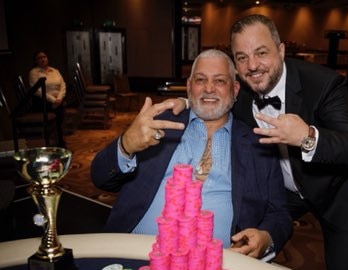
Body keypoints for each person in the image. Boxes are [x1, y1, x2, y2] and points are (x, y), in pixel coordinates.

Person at [172, 14, 348, 269]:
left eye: (261, 52)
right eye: (242, 57)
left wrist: (306, 137)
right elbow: (213, 97)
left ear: (281, 50)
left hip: (339, 191)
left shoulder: (323, 83)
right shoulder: (242, 92)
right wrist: (186, 103)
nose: (252, 66)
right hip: (286, 191)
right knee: (255, 236)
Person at [90, 49, 292, 259]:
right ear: (188, 87)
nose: (209, 88)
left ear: (235, 89)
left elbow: (280, 214)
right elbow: (101, 178)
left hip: (215, 261)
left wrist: (267, 237)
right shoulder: (157, 125)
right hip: (135, 255)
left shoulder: (259, 144)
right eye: (200, 79)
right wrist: (126, 144)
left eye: (220, 81)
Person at [28, 50, 67, 147]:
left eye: (44, 57)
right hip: (42, 101)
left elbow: (63, 85)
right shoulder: (34, 72)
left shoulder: (55, 71)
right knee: (58, 110)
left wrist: (59, 98)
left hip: (57, 100)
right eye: (39, 58)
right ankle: (58, 143)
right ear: (35, 61)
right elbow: (38, 90)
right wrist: (53, 100)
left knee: (59, 109)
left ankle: (59, 141)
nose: (42, 59)